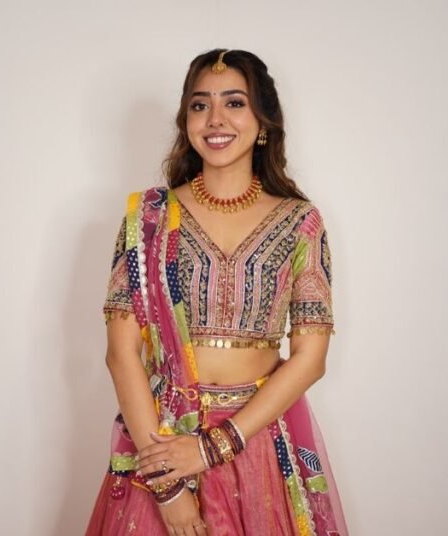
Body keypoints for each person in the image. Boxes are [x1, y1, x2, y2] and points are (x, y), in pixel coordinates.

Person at [86, 49, 348, 536]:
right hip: (161, 441)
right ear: (185, 120)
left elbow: (311, 359)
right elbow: (121, 355)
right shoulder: (149, 220)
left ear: (263, 120)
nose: (215, 119)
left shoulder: (299, 222)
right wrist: (167, 485)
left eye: (235, 102)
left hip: (259, 441)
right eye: (200, 105)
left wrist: (212, 448)